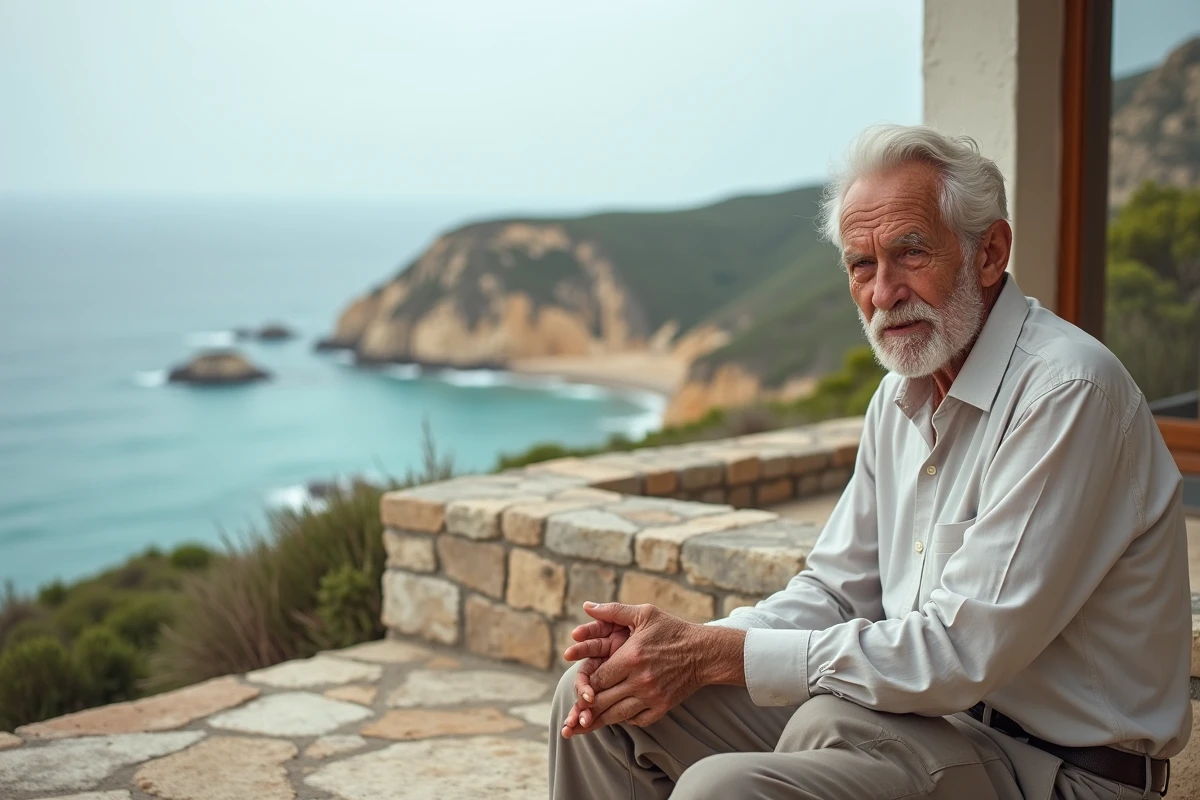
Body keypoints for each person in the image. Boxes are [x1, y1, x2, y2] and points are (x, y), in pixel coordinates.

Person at [548, 124, 1192, 799]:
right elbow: (835, 592)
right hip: (922, 727)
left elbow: (957, 654)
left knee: (723, 790)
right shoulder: (897, 398)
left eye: (910, 253)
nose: (884, 292)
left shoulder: (1067, 392)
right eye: (861, 264)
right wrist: (678, 649)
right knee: (600, 703)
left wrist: (716, 656)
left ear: (989, 253)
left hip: (1059, 774)